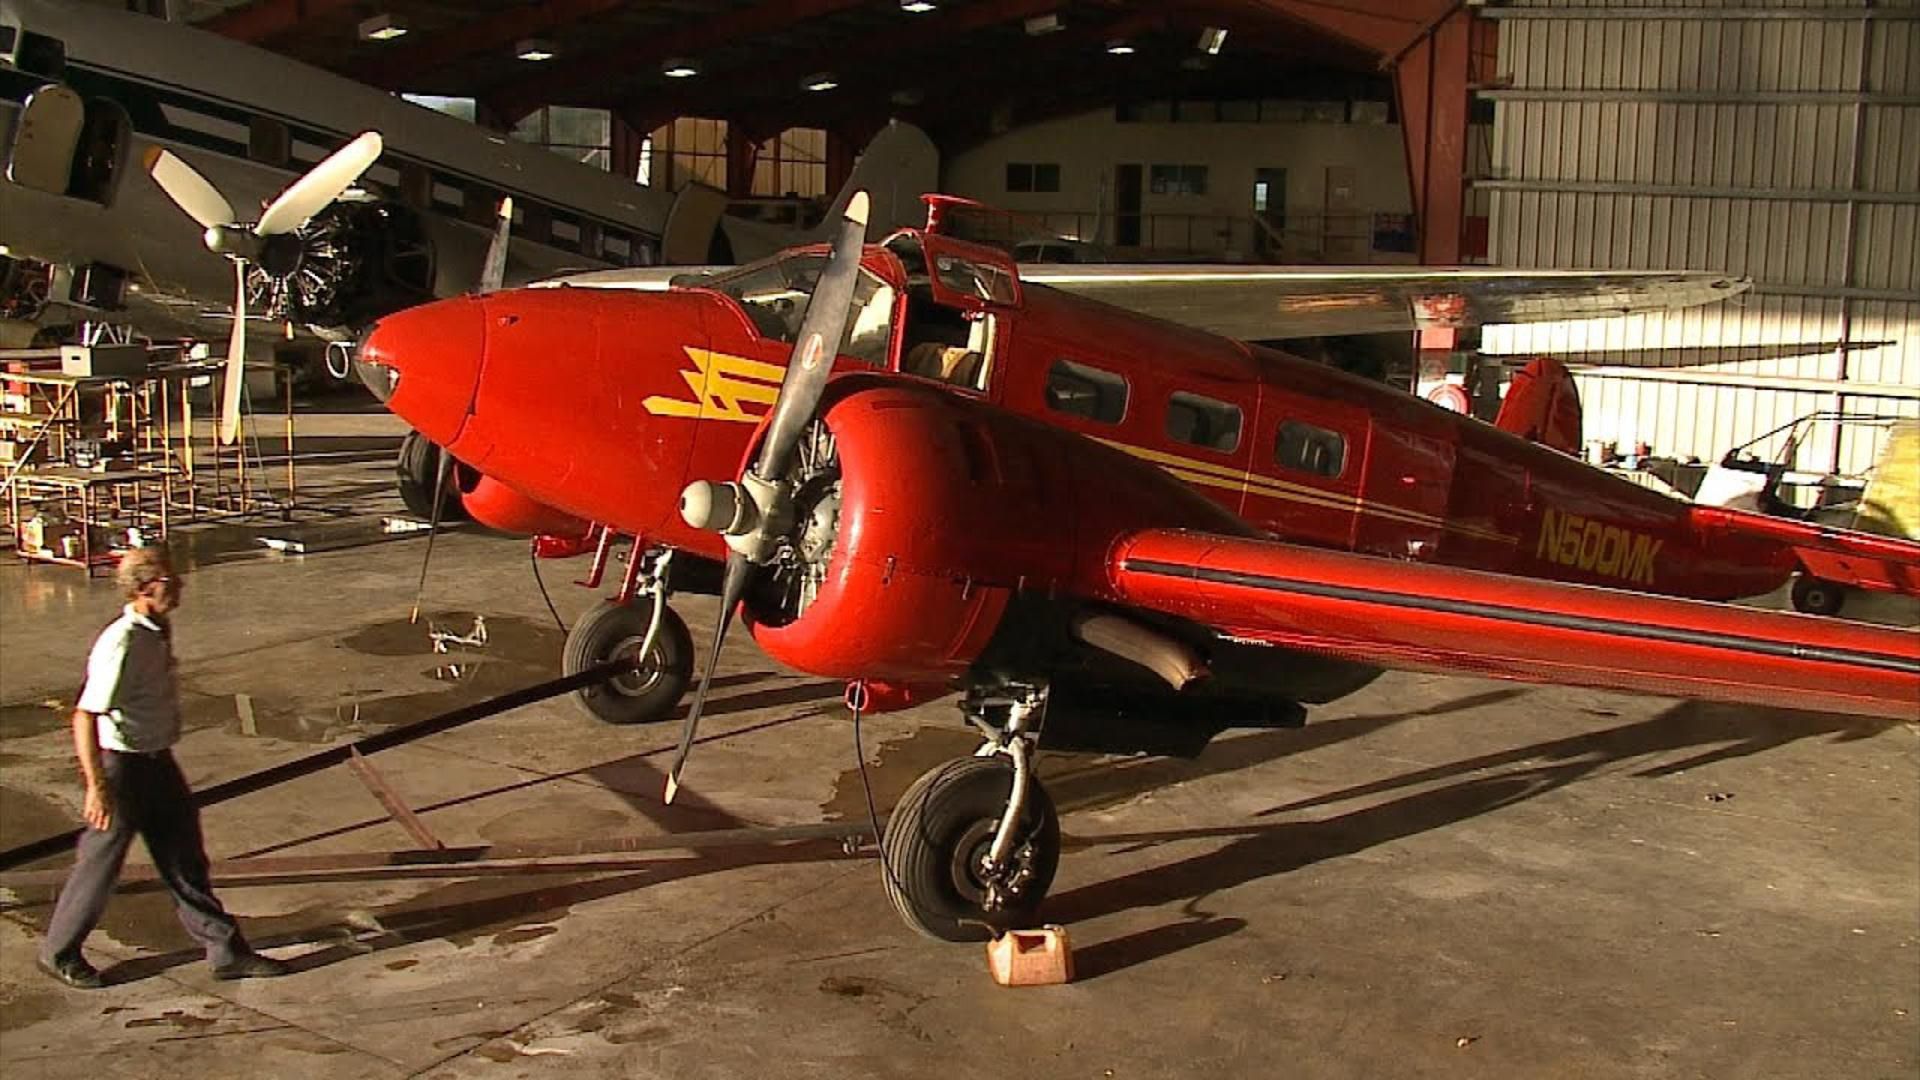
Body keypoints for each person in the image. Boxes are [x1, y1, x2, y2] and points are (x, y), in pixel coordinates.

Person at [37, 546, 289, 989]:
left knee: (184, 858)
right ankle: (59, 951)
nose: (181, 588)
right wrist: (97, 787)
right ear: (144, 588)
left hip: (157, 761)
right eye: (171, 582)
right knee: (101, 863)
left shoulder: (157, 628)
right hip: (124, 769)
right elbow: (85, 715)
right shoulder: (123, 642)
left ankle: (225, 951)